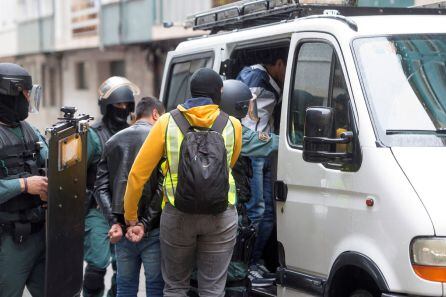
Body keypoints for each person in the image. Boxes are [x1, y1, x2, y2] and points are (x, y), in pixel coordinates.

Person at [123, 68, 242, 297]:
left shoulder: (166, 122)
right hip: (221, 214)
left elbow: (138, 174)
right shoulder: (233, 125)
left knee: (176, 287)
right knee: (213, 290)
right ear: (218, 93)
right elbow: (230, 164)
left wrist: (131, 216)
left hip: (178, 214)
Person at [94, 97, 165, 297]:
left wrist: (114, 221)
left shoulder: (112, 140)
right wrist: (144, 223)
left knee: (125, 286)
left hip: (123, 230)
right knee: (155, 285)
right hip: (153, 230)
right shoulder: (160, 139)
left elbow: (100, 186)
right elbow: (163, 187)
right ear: (155, 114)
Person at [220, 80, 280, 294]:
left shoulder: (205, 123)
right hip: (229, 209)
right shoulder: (234, 129)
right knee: (234, 272)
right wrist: (295, 140)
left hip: (203, 208)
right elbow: (267, 143)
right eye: (245, 105)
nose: (248, 109)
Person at [83, 76, 140, 297]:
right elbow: (77, 175)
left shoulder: (133, 132)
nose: (123, 109)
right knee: (97, 267)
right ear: (107, 106)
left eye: (127, 105)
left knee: (123, 270)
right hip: (97, 209)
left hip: (125, 209)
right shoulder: (93, 135)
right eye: (118, 104)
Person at [236, 48, 287, 283]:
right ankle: (248, 264)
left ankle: (255, 262)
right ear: (278, 63)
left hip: (264, 153)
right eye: (286, 67)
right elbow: (247, 124)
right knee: (257, 210)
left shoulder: (262, 79)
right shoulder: (256, 79)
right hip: (255, 153)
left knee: (267, 212)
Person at [0, 63, 48, 297]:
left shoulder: (30, 130)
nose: (28, 99)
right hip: (8, 240)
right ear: (8, 95)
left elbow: (50, 161)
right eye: (25, 93)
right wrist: (24, 185)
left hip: (40, 233)